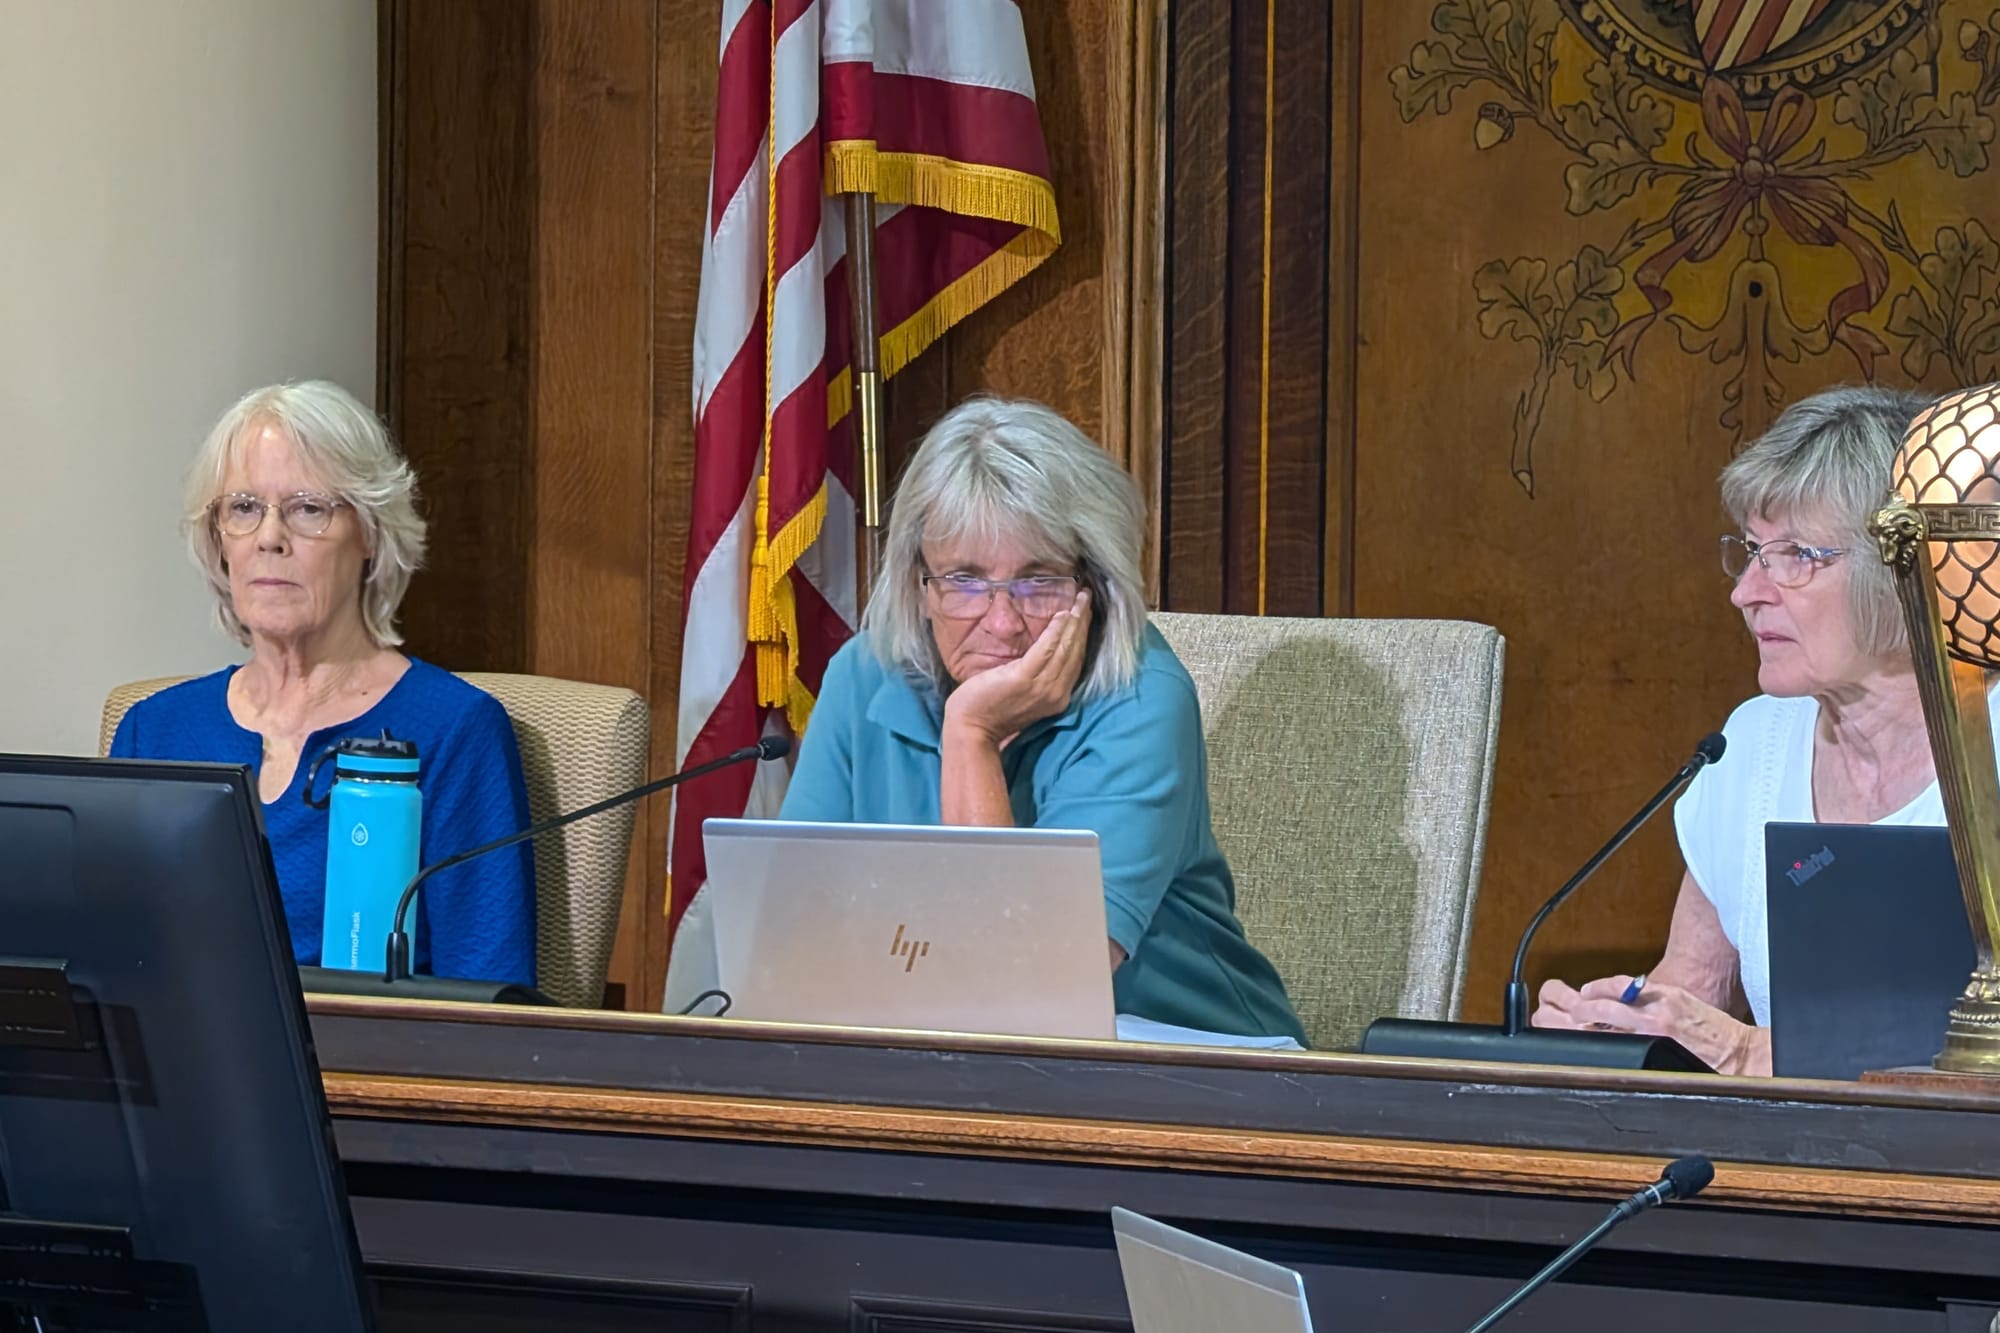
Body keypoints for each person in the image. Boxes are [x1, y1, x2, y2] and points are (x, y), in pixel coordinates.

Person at [776, 397, 1304, 1042]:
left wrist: (971, 733)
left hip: (1196, 1062)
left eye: (1039, 580)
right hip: (932, 1058)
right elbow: (787, 938)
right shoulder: (864, 675)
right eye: (964, 579)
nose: (1003, 623)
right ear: (919, 585)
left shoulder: (1144, 700)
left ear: (1094, 587)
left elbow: (1020, 989)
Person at [1530, 384, 1974, 1074]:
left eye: (1796, 556)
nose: (1746, 592)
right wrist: (1618, 1027)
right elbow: (1692, 991)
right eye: (1752, 551)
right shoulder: (1751, 745)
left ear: (1904, 567)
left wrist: (1747, 1050)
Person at [110, 381, 537, 985]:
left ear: (369, 534)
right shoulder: (154, 731)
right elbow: (107, 969)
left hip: (365, 1049)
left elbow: (487, 1001)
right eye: (243, 508)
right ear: (218, 541)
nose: (270, 537)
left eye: (308, 508)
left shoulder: (455, 730)